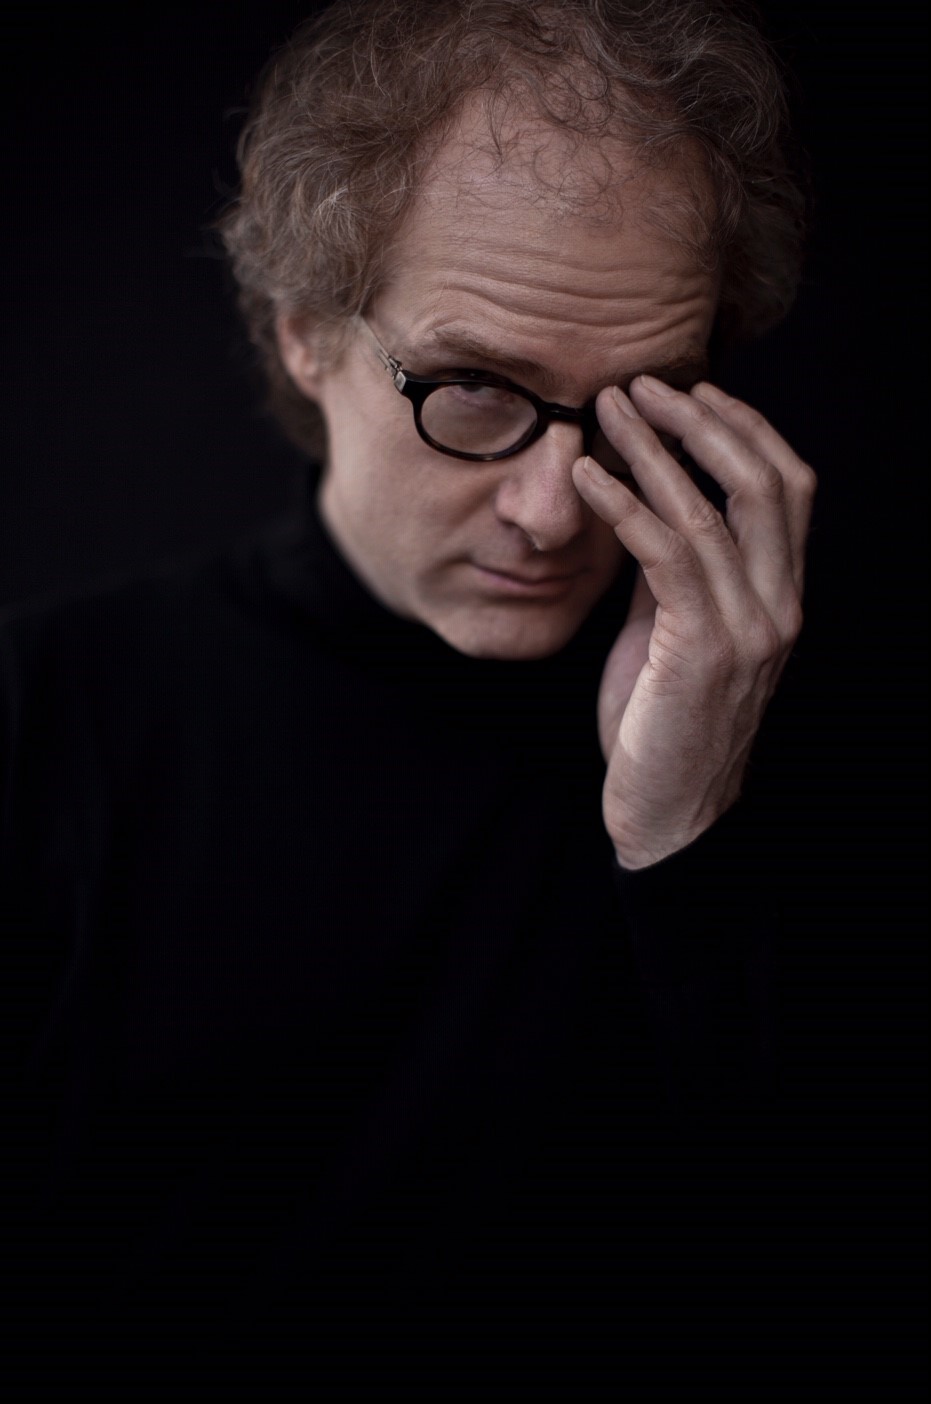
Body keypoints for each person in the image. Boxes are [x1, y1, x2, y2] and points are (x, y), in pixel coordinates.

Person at [2, 0, 815, 1387]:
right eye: (474, 387)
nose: (555, 511)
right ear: (304, 333)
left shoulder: (792, 718)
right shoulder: (46, 717)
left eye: (642, 404)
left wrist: (682, 844)